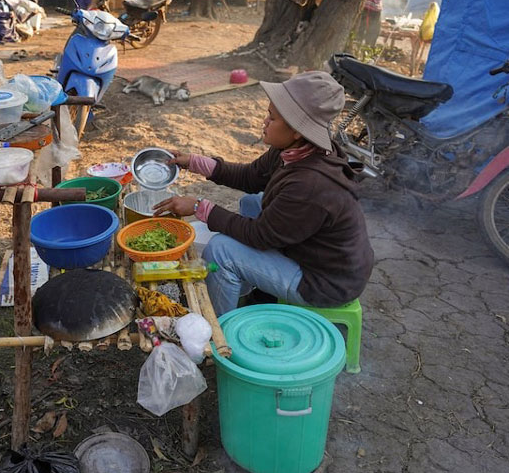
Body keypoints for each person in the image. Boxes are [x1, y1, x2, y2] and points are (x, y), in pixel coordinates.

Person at [152, 71, 375, 316]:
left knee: (221, 250)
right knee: (251, 202)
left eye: (272, 117)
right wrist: (193, 162)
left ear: (298, 130)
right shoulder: (294, 150)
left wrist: (199, 208)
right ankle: (254, 290)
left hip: (325, 282)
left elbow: (259, 236)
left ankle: (218, 334)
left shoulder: (309, 185)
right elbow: (249, 177)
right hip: (311, 252)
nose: (264, 122)